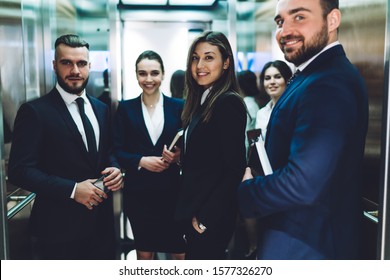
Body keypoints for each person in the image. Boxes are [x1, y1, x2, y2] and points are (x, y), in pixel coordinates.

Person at [238, 0, 369, 260]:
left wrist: (247, 191)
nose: (285, 31)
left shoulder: (328, 82)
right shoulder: (310, 76)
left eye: (299, 17)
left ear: (332, 20)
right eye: (280, 21)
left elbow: (302, 184)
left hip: (305, 246)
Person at [8, 34, 124, 260]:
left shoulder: (101, 108)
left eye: (81, 63)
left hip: (102, 228)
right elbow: (19, 170)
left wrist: (116, 169)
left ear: (89, 66)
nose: (75, 70)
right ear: (54, 65)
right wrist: (72, 190)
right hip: (57, 232)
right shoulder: (34, 112)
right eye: (66, 63)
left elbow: (107, 152)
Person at [175, 31, 247, 260]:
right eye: (195, 58)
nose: (199, 65)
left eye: (209, 57)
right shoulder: (203, 99)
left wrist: (206, 218)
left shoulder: (227, 102)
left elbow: (234, 168)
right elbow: (210, 156)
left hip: (209, 217)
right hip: (194, 210)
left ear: (226, 62)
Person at [113, 50, 185, 260]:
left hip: (173, 192)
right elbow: (116, 150)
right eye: (143, 73)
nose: (149, 79)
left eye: (154, 73)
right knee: (144, 254)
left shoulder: (179, 107)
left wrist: (178, 157)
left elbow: (191, 150)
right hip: (139, 195)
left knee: (178, 252)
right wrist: (141, 161)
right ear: (136, 76)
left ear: (163, 75)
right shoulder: (125, 109)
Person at [255, 60, 292, 138]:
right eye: (267, 78)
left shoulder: (293, 109)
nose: (272, 82)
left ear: (287, 80)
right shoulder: (261, 113)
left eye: (278, 77)